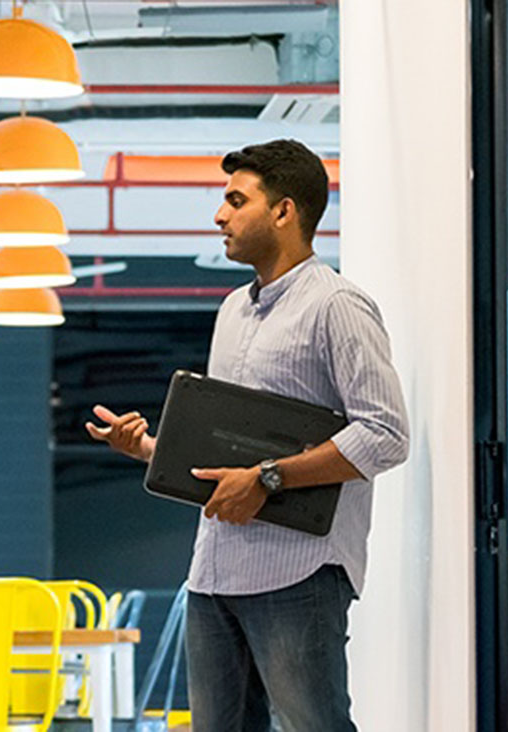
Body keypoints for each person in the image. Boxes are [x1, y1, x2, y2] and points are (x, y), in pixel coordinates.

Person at [86, 140, 409, 731]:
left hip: (300, 573)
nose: (219, 215)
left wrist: (269, 478)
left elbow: (385, 433)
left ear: (284, 211)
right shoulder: (232, 309)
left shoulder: (338, 305)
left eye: (237, 200)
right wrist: (148, 450)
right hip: (212, 575)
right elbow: (228, 451)